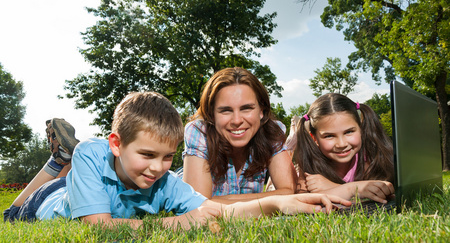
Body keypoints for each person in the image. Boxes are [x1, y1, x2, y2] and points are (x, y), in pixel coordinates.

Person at [4, 91, 351, 229]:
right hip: (47, 202)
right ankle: (56, 162)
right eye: (147, 155)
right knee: (12, 212)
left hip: (83, 186)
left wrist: (281, 204)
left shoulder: (163, 182)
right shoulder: (91, 153)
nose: (158, 167)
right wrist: (179, 224)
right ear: (116, 144)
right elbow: (100, 228)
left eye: (168, 157)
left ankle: (56, 160)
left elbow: (218, 211)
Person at [182, 67, 297, 203]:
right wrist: (271, 201)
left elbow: (289, 192)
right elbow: (197, 204)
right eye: (226, 111)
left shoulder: (271, 131)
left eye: (246, 108)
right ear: (212, 115)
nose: (237, 121)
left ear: (261, 110)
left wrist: (220, 200)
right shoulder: (199, 131)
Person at [294, 93, 395, 203]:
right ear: (315, 139)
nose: (341, 144)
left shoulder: (371, 156)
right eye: (329, 136)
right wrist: (354, 189)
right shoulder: (310, 161)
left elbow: (386, 189)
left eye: (349, 132)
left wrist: (340, 188)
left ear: (360, 128)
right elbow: (300, 201)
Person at [9, 118, 79, 207]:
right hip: (73, 186)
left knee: (11, 213)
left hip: (57, 196)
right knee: (66, 177)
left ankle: (60, 159)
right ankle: (64, 158)